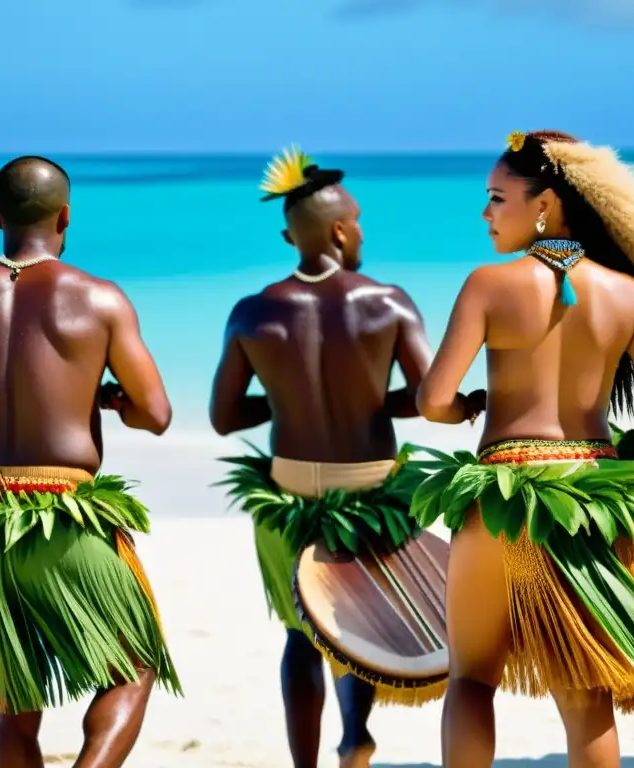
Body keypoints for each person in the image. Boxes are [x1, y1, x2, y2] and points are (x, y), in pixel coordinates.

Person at [409, 130, 634, 768]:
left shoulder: (487, 285)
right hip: (593, 503)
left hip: (501, 497)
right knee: (586, 696)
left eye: (498, 199)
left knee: (472, 679)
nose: (486, 213)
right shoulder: (630, 295)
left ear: (545, 204)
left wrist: (468, 407)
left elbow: (431, 400)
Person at [0, 156, 181, 768]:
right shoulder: (100, 298)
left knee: (14, 708)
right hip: (57, 514)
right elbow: (156, 414)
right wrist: (106, 398)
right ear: (66, 216)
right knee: (132, 668)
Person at [211, 146, 479, 768]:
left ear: (288, 236)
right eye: (356, 222)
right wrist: (461, 407)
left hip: (287, 495)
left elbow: (225, 418)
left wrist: (287, 402)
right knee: (355, 622)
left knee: (300, 633)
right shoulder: (386, 302)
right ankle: (355, 736)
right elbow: (426, 398)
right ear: (338, 229)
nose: (359, 232)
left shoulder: (252, 312)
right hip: (373, 492)